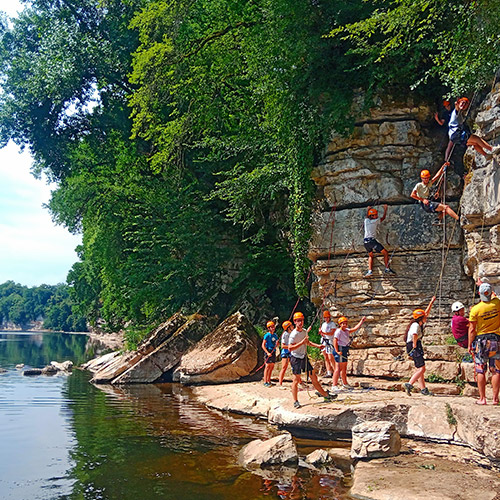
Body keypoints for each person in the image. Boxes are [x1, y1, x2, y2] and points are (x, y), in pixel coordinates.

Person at [288, 311, 335, 408]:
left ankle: (325, 395)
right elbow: (290, 348)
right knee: (296, 379)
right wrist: (301, 343)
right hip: (295, 358)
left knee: (313, 376)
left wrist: (318, 346)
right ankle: (295, 401)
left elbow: (307, 343)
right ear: (295, 322)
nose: (300, 322)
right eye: (298, 321)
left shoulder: (304, 331)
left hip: (303, 357)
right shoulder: (293, 334)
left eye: (301, 320)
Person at [468, 283, 500, 405]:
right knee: (496, 370)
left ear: (479, 294)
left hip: (481, 341)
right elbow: (495, 295)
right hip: (496, 340)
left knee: (481, 369)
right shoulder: (497, 303)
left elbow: (471, 330)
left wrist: (470, 345)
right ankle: (495, 399)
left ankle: (482, 398)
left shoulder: (475, 309)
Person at [403, 296, 436, 396]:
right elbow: (414, 334)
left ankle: (423, 389)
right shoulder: (416, 325)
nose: (426, 317)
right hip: (414, 345)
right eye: (424, 316)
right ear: (421, 318)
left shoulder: (419, 323)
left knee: (419, 368)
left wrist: (431, 302)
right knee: (422, 369)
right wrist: (414, 344)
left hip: (415, 344)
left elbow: (426, 312)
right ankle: (409, 384)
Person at [331, 315, 366, 392]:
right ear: (340, 324)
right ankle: (334, 385)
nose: (344, 325)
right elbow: (335, 341)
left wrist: (361, 321)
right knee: (338, 368)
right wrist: (337, 351)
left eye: (345, 323)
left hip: (344, 349)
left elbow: (355, 328)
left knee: (344, 368)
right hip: (340, 348)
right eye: (342, 323)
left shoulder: (346, 330)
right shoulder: (338, 331)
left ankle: (345, 383)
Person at [363, 205, 395, 277]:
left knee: (371, 255)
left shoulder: (366, 220)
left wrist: (368, 209)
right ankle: (387, 269)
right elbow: (383, 218)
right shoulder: (375, 221)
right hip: (372, 241)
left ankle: (370, 271)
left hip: (365, 242)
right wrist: (385, 209)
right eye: (375, 215)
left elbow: (367, 216)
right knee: (385, 253)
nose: (377, 216)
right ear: (372, 216)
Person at [319, 310, 336, 377]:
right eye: (325, 317)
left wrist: (324, 333)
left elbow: (332, 333)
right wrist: (321, 332)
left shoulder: (332, 324)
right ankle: (329, 372)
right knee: (326, 357)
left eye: (327, 317)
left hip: (329, 341)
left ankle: (335, 371)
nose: (326, 319)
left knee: (330, 357)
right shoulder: (323, 324)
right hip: (324, 341)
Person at [262, 320, 278, 387]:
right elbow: (263, 345)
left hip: (273, 351)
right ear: (268, 328)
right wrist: (267, 352)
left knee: (271, 366)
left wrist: (277, 344)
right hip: (268, 350)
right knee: (267, 366)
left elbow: (276, 344)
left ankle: (269, 380)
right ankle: (265, 381)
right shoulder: (267, 335)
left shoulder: (275, 335)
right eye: (271, 327)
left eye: (273, 326)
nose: (273, 328)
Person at [278, 320, 293, 386]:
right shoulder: (285, 334)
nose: (293, 326)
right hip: (286, 353)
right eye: (291, 325)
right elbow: (283, 346)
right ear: (288, 327)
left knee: (294, 367)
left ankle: (300, 381)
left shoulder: (292, 333)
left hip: (291, 352)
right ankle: (280, 383)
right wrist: (290, 347)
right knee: (284, 367)